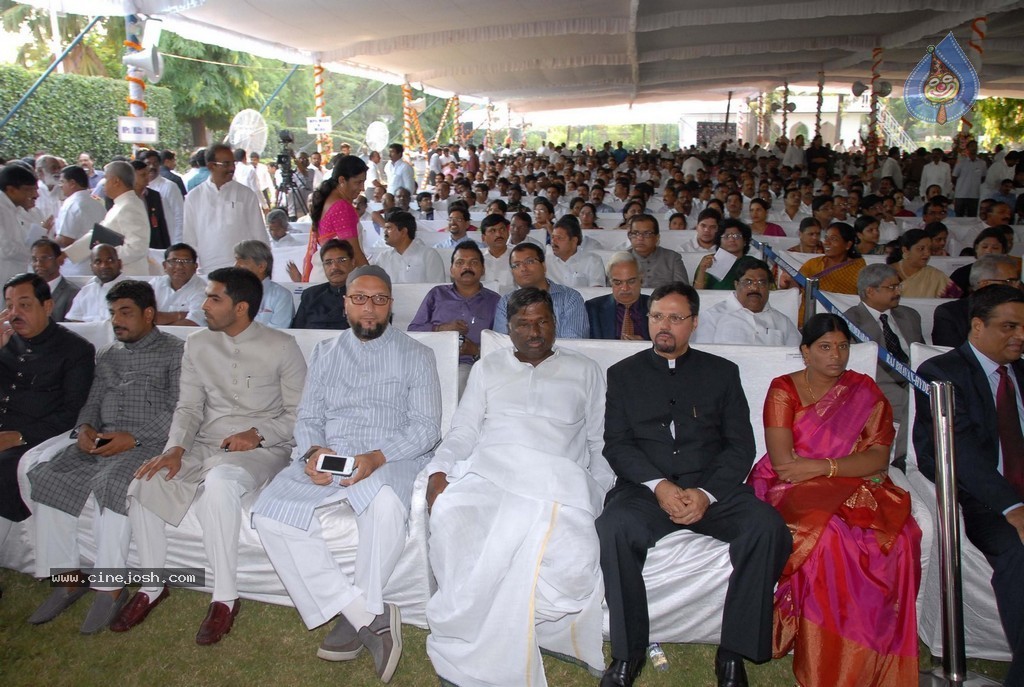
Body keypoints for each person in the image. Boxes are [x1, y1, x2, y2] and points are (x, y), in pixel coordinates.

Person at [252, 265, 441, 683]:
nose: (368, 308)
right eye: (359, 298)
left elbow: (427, 428)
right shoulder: (325, 353)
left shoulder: (416, 355)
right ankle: (366, 614)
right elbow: (309, 417)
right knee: (268, 516)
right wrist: (314, 453)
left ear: (391, 305)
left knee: (388, 506)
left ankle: (360, 612)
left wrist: (376, 457)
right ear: (345, 303)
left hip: (388, 456)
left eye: (378, 299)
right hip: (331, 455)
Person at [597, 282, 791, 687]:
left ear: (694, 323)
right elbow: (617, 445)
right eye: (656, 317)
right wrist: (659, 486)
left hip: (712, 489)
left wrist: (706, 494)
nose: (664, 326)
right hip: (646, 491)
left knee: (766, 527)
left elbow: (741, 447)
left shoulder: (721, 373)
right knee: (614, 527)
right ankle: (628, 653)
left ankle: (733, 652)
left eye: (675, 318)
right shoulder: (623, 374)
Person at [425, 287, 614, 687]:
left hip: (559, 481)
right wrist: (438, 470)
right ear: (507, 328)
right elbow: (463, 431)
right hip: (492, 470)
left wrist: (597, 493)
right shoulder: (488, 369)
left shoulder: (586, 370)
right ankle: (483, 637)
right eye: (523, 324)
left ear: (555, 323)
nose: (534, 331)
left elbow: (600, 444)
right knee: (450, 516)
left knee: (576, 558)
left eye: (542, 321)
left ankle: (520, 624)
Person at [112, 268, 307, 644]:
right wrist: (174, 450)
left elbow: (300, 415)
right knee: (146, 478)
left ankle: (225, 597)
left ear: (241, 307)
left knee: (220, 484)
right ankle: (152, 586)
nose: (204, 305)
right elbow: (187, 408)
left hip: (264, 448)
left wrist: (258, 433)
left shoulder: (282, 345)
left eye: (214, 298)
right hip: (204, 443)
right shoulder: (198, 344)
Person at [748, 313, 921, 686]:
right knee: (828, 539)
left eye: (842, 347)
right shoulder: (784, 389)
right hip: (789, 487)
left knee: (901, 539)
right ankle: (828, 659)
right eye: (825, 347)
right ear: (805, 352)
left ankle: (873, 649)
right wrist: (832, 469)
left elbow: (878, 458)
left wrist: (824, 467)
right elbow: (783, 463)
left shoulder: (864, 390)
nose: (836, 356)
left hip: (844, 479)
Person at [27, 281, 184, 634]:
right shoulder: (108, 355)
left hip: (147, 444)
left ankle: (110, 586)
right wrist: (84, 428)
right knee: (49, 475)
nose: (116, 321)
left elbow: (181, 409)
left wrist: (134, 438)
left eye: (125, 313)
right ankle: (66, 579)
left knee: (113, 483)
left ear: (148, 314)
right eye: (112, 314)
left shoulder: (176, 352)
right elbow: (93, 401)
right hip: (101, 441)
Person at [914, 285, 1024, 685]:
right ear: (977, 326)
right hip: (984, 498)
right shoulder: (942, 373)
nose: (1020, 336)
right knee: (1017, 551)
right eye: (1009, 326)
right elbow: (958, 453)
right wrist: (1014, 509)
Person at [0, 274, 95, 560]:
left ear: (48, 305)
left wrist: (17, 436)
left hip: (33, 437)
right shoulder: (5, 341)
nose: (15, 313)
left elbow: (72, 413)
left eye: (25, 305)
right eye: (9, 305)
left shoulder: (75, 350)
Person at [844, 263, 924, 465]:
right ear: (870, 291)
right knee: (913, 402)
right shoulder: (850, 320)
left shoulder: (909, 315)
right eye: (892, 287)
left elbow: (921, 352)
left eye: (898, 287)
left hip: (915, 378)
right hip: (878, 382)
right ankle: (902, 460)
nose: (898, 292)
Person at [408, 242, 499, 393]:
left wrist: (476, 350)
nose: (467, 267)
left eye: (474, 262)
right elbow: (413, 331)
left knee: (461, 382)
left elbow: (502, 345)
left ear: (483, 269)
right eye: (460, 262)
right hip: (431, 361)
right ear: (451, 270)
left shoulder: (494, 301)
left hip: (470, 365)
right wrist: (441, 328)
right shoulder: (437, 294)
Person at [182, 144, 266, 272]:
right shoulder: (194, 197)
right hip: (208, 270)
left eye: (233, 163)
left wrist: (262, 268)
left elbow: (259, 233)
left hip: (242, 270)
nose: (232, 168)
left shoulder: (246, 194)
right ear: (211, 166)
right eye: (226, 164)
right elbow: (189, 238)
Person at [63, 161, 151, 276]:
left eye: (106, 178)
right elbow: (98, 234)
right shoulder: (121, 204)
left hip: (129, 275)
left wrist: (106, 257)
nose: (103, 183)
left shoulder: (130, 206)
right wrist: (68, 254)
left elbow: (137, 248)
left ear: (116, 181)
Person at [492, 243, 589, 338]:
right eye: (516, 265)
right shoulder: (506, 302)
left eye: (529, 261)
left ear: (544, 266)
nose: (523, 268)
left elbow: (573, 343)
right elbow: (502, 343)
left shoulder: (569, 298)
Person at [700, 257, 800, 346]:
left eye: (761, 282)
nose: (755, 288)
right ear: (736, 284)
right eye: (748, 282)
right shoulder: (713, 317)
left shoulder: (783, 322)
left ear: (769, 287)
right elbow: (703, 356)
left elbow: (797, 358)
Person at [302, 155, 370, 281]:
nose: (362, 188)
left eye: (363, 182)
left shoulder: (329, 200)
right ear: (342, 180)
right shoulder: (341, 207)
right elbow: (354, 252)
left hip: (327, 277)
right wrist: (371, 279)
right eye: (358, 182)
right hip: (334, 280)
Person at [932, 255, 1021, 348]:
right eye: (1010, 281)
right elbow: (950, 356)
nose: (1016, 287)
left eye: (1017, 282)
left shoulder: (1020, 310)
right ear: (985, 284)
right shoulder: (951, 313)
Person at [53, 165, 105, 276]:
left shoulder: (71, 203)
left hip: (76, 267)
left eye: (62, 182)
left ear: (72, 183)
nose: (60, 186)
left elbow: (65, 239)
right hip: (96, 263)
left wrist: (48, 236)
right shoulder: (97, 203)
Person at [291, 239, 354, 330]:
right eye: (328, 262)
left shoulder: (363, 295)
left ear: (352, 262)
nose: (335, 267)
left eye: (341, 260)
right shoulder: (310, 295)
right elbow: (297, 331)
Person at [586, 252, 650, 340]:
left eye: (631, 281)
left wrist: (645, 346)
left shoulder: (655, 306)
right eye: (618, 282)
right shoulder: (592, 308)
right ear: (610, 282)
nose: (624, 288)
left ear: (641, 279)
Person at [371, 211, 446, 284]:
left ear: (403, 232)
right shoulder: (383, 257)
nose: (385, 232)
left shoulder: (428, 255)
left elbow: (437, 289)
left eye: (389, 228)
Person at [233, 239, 295, 329]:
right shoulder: (228, 293)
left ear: (261, 266)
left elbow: (278, 332)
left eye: (242, 261)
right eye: (235, 260)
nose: (235, 266)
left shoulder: (281, 296)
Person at [888, 228, 961, 299]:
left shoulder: (936, 276)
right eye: (921, 249)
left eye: (929, 249)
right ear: (905, 250)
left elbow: (954, 303)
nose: (927, 253)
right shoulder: (887, 273)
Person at [65, 244, 130, 322]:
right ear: (91, 267)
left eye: (110, 260)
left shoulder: (133, 289)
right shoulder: (86, 291)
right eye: (98, 262)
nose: (104, 266)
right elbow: (74, 321)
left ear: (119, 264)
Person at [1, 163, 39, 288]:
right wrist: (35, 255)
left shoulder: (14, 209)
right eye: (29, 190)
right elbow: (7, 249)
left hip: (14, 275)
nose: (35, 195)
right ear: (11, 190)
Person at [152, 243, 207, 327]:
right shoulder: (156, 283)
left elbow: (193, 323)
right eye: (173, 261)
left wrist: (157, 323)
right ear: (164, 266)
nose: (179, 266)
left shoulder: (203, 290)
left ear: (195, 266)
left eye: (186, 261)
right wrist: (180, 315)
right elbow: (142, 316)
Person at [545, 214, 606, 288]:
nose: (553, 241)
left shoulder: (593, 261)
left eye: (559, 238)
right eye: (552, 237)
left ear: (574, 241)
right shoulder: (545, 262)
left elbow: (597, 293)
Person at [693, 219, 754, 290]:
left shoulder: (752, 263)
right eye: (726, 236)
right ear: (719, 241)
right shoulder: (709, 260)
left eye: (737, 236)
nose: (731, 239)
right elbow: (697, 293)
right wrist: (702, 271)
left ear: (745, 241)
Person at [949, 226, 1009, 295]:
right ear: (976, 248)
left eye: (995, 248)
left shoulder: (1009, 274)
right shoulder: (961, 274)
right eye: (984, 247)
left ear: (1003, 251)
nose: (988, 251)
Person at [29, 238, 78, 322]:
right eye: (34, 259)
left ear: (59, 260)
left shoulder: (73, 293)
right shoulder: (27, 289)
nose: (38, 264)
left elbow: (70, 328)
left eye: (44, 258)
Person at [479, 213, 514, 294]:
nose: (498, 234)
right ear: (483, 238)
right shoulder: (477, 259)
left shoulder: (518, 256)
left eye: (502, 230)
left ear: (508, 233)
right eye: (492, 231)